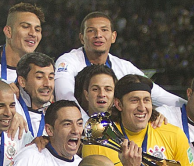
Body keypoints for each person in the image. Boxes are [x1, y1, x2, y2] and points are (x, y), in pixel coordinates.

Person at [54, 11, 184, 113]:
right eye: (91, 30)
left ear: (113, 37)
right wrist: (88, 126)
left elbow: (158, 95)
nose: (98, 35)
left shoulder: (124, 67)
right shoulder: (68, 61)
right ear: (82, 38)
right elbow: (64, 97)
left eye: (104, 30)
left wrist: (190, 106)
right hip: (77, 129)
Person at [0, 2, 43, 86]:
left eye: (37, 30)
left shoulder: (41, 73)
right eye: (25, 26)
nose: (33, 33)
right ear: (8, 32)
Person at [15, 52, 55, 140]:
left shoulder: (55, 115)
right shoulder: (11, 107)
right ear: (22, 81)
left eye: (51, 77)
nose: (47, 84)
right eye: (39, 77)